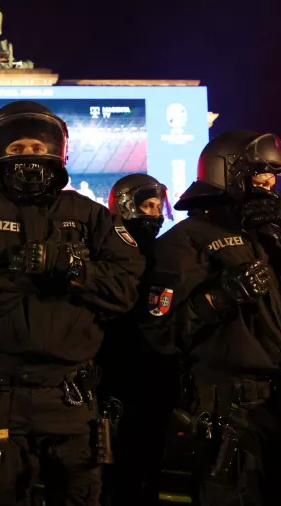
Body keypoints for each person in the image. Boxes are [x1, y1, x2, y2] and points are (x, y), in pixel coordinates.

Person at [0, 101, 146, 505]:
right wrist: (29, 273)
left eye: (35, 147)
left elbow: (123, 290)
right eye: (16, 149)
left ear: (57, 151)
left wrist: (70, 268)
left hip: (71, 396)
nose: (28, 157)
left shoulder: (89, 215)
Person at [140, 130, 281, 505]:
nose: (271, 181)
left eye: (274, 173)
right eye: (260, 172)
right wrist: (221, 297)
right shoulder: (185, 240)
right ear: (228, 172)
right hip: (226, 407)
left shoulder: (270, 237)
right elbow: (160, 333)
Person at [100, 173, 174, 506]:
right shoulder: (104, 252)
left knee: (151, 464)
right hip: (115, 375)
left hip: (155, 374)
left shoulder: (167, 253)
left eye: (158, 206)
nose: (155, 214)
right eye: (148, 205)